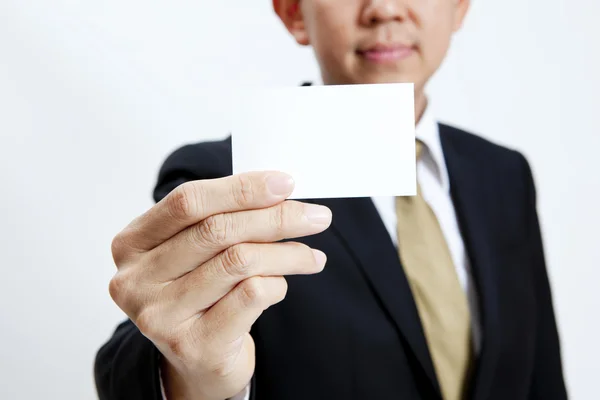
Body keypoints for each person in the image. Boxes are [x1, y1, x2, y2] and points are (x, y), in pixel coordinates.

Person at [95, 1, 568, 399]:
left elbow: (541, 372)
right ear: (294, 12)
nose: (384, 8)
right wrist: (192, 374)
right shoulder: (223, 180)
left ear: (459, 6)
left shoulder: (504, 175)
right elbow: (131, 366)